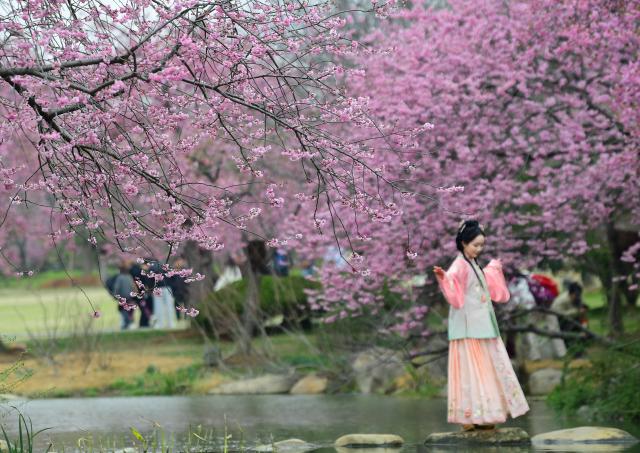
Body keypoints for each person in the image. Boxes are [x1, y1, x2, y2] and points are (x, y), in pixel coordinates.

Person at [433, 220, 529, 431]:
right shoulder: (459, 265)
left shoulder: (472, 263)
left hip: (481, 325)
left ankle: (486, 414)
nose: (479, 249)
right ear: (463, 243)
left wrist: (493, 270)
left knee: (485, 369)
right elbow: (455, 295)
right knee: (473, 371)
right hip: (468, 328)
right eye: (475, 245)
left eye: (481, 245)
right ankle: (473, 416)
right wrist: (444, 278)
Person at [551, 281, 588, 348]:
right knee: (570, 324)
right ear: (571, 294)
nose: (578, 297)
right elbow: (561, 314)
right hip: (558, 319)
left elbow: (581, 311)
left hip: (570, 317)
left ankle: (584, 336)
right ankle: (570, 343)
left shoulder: (577, 298)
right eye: (576, 295)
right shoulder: (562, 300)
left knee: (581, 321)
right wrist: (577, 311)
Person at [111, 260, 136, 330]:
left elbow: (116, 287)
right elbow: (133, 287)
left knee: (122, 310)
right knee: (130, 311)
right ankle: (129, 323)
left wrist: (115, 295)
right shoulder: (129, 277)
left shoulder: (120, 277)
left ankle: (127, 322)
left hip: (122, 297)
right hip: (130, 297)